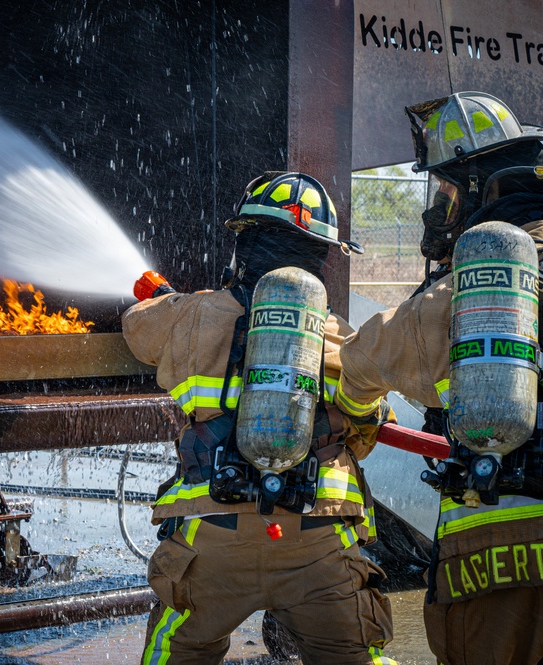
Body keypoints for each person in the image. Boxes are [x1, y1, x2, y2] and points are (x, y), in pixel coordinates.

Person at [337, 91, 543, 665]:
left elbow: (359, 364)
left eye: (444, 193)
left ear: (473, 190)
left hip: (487, 554)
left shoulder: (452, 299)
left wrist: (355, 413)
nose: (436, 212)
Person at [123, 171, 399, 665]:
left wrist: (173, 301)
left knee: (176, 655)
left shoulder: (190, 316)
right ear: (320, 258)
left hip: (212, 533)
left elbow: (136, 326)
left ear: (244, 245)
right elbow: (369, 431)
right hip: (316, 538)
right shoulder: (339, 337)